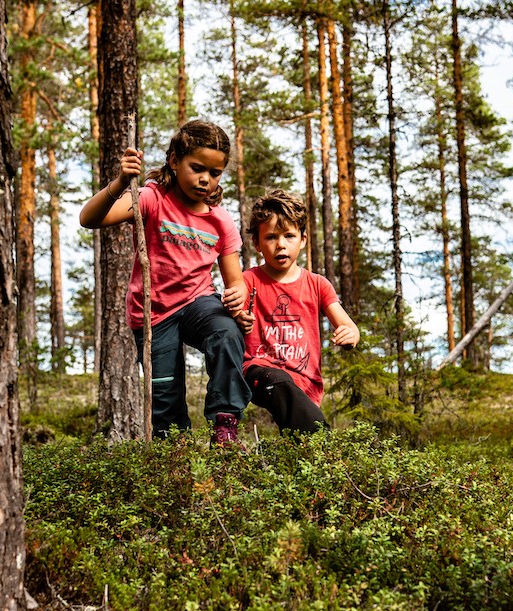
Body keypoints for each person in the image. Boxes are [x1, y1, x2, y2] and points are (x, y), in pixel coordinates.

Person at [79, 120, 251, 444]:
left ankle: (225, 424)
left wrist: (238, 298)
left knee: (227, 333)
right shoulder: (152, 199)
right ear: (174, 160)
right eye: (197, 168)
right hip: (154, 313)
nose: (205, 180)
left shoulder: (221, 220)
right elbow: (90, 219)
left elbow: (235, 281)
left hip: (199, 302)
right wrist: (119, 182)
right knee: (165, 395)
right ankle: (175, 457)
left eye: (215, 173)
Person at [235, 189, 360, 433]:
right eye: (271, 237)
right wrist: (238, 316)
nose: (281, 244)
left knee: (299, 445)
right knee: (282, 387)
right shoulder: (248, 280)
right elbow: (233, 314)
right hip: (260, 371)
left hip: (306, 380)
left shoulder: (318, 284)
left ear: (302, 240)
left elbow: (348, 326)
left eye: (289, 236)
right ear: (257, 243)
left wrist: (349, 335)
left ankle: (312, 460)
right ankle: (325, 448)